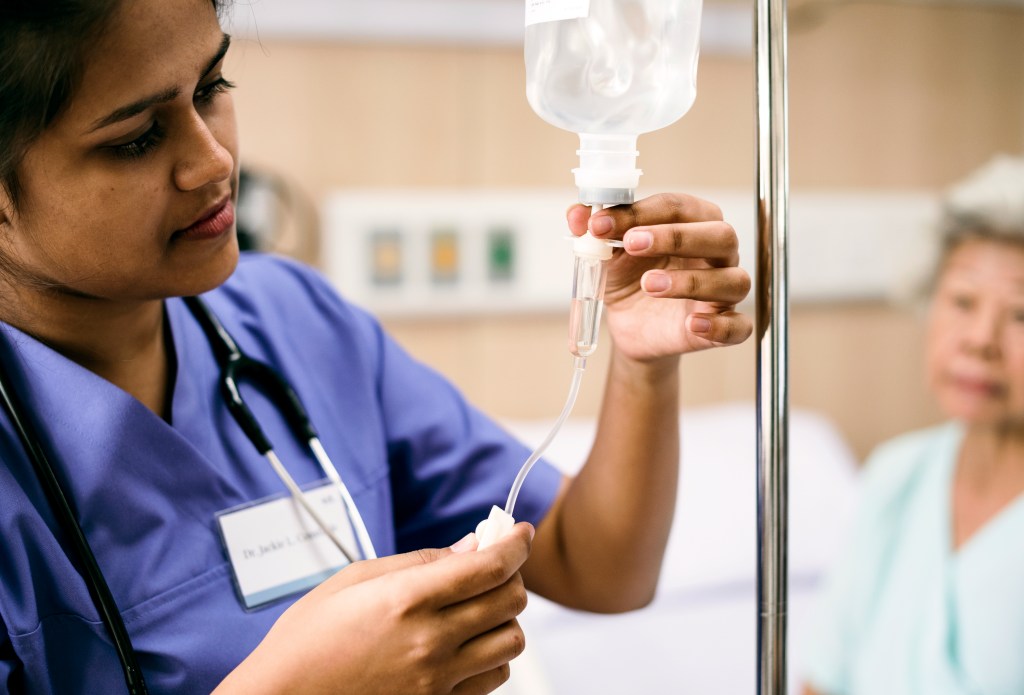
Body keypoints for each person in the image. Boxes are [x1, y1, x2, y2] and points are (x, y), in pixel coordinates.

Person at [0, 1, 753, 693]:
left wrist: (641, 364)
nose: (214, 161)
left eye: (210, 87)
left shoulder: (295, 321)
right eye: (135, 138)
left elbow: (603, 567)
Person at [802, 154, 1024, 695]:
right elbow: (823, 678)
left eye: (1021, 314)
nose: (980, 339)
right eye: (963, 302)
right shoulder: (896, 474)